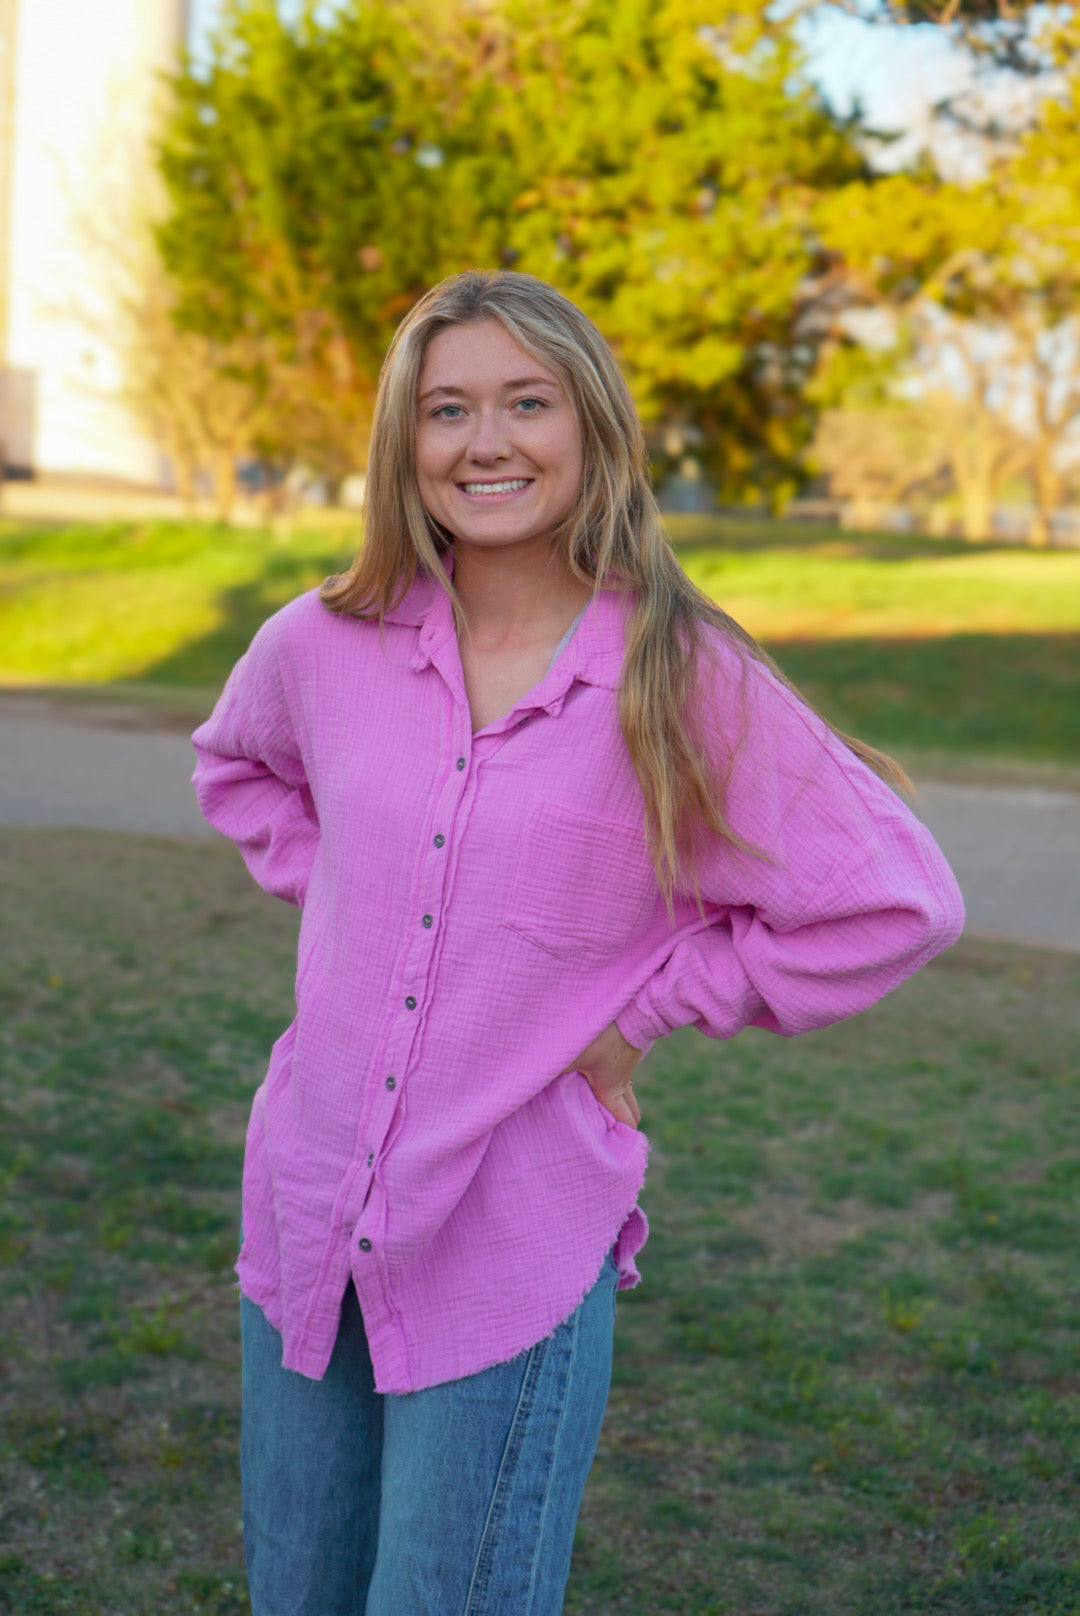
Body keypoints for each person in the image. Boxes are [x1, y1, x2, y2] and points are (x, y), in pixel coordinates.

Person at [191, 269, 964, 1616]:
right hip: (310, 1205)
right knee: (297, 1593)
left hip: (509, 1241)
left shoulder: (680, 673)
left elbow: (896, 898)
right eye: (447, 410)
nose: (485, 443)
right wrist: (345, 898)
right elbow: (239, 770)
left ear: (592, 427)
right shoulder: (322, 642)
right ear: (404, 442)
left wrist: (639, 1016)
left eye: (526, 402)